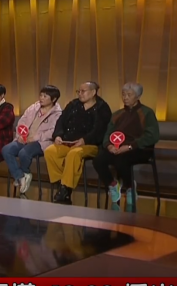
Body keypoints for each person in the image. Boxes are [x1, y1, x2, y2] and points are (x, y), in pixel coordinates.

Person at [92, 83, 159, 211]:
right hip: (117, 148)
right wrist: (109, 145)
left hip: (139, 149)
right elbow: (108, 133)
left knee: (121, 159)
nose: (125, 97)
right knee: (98, 160)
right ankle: (113, 184)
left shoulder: (147, 112)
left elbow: (152, 136)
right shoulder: (117, 114)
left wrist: (129, 146)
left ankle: (129, 187)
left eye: (129, 95)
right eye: (123, 94)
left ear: (138, 96)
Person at [44, 81, 112, 205]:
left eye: (83, 91)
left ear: (93, 92)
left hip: (90, 144)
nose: (80, 94)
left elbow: (100, 130)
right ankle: (62, 185)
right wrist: (58, 135)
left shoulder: (102, 108)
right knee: (50, 151)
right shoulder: (73, 105)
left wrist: (84, 140)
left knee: (74, 154)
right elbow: (61, 121)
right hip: (68, 142)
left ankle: (65, 188)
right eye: (78, 91)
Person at [1, 85, 62, 194]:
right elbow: (22, 121)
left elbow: (52, 132)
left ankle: (24, 172)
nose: (41, 98)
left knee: (23, 153)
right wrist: (20, 135)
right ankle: (21, 176)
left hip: (41, 142)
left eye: (45, 96)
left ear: (53, 99)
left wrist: (34, 138)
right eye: (41, 95)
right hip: (24, 138)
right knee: (6, 150)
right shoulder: (33, 107)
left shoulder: (57, 114)